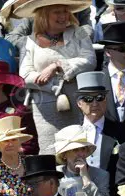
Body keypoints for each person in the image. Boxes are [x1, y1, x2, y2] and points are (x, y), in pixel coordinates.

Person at [17, 1, 94, 153]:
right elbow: (25, 75)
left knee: (78, 148)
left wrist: (57, 66)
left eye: (65, 11)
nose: (63, 16)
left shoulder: (78, 33)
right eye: (57, 12)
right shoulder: (30, 41)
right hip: (45, 107)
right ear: (44, 15)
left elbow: (90, 60)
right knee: (50, 152)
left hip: (77, 102)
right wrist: (55, 85)